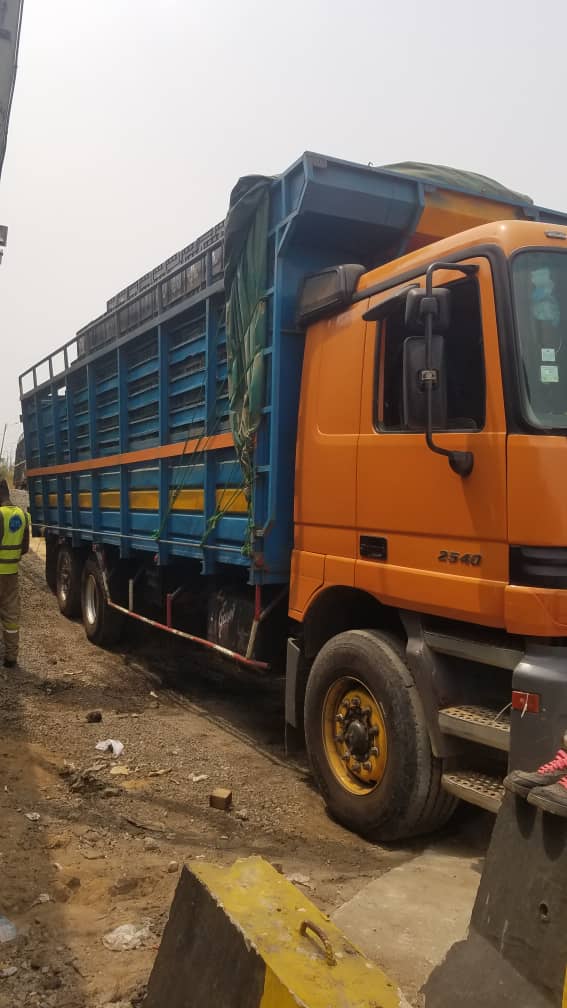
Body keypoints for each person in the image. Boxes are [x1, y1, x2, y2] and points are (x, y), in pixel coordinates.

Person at [0, 479, 30, 668]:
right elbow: (25, 548)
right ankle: (11, 657)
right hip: (11, 573)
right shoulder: (22, 515)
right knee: (11, 615)